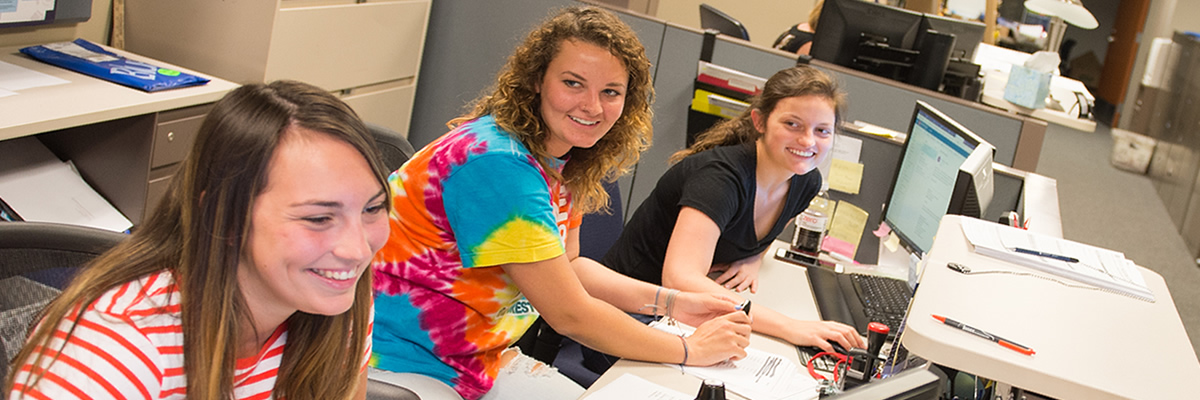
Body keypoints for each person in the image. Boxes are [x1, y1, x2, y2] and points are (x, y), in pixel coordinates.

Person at [369, 6, 752, 400]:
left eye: (610, 92)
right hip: (405, 363)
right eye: (573, 83)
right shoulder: (498, 163)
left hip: (476, 358)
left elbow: (569, 266)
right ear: (536, 80)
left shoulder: (560, 158)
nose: (592, 106)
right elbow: (568, 313)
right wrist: (691, 349)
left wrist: (672, 303)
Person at [5, 80, 387, 400]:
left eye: (372, 209)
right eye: (319, 218)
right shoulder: (112, 349)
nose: (356, 250)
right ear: (225, 214)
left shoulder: (335, 300)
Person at [602, 65, 866, 354]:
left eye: (822, 130)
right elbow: (679, 279)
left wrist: (753, 257)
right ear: (760, 122)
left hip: (684, 317)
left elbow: (764, 233)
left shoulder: (805, 180)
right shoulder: (720, 179)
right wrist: (790, 326)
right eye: (792, 124)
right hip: (625, 315)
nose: (807, 141)